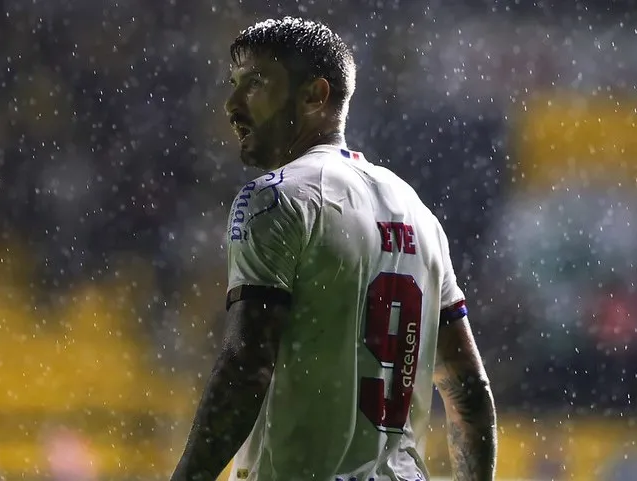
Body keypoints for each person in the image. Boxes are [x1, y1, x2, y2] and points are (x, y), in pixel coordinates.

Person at [171, 16, 496, 481]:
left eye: (256, 82)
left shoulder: (276, 198)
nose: (232, 104)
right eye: (233, 84)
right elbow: (468, 389)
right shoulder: (418, 212)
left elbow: (247, 366)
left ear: (315, 95)